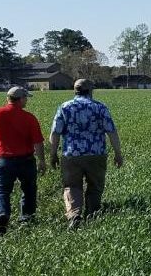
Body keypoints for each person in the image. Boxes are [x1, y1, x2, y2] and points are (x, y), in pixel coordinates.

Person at [50, 79, 124, 229]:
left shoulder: (64, 107)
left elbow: (55, 133)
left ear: (75, 90)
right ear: (90, 90)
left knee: (72, 186)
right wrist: (118, 153)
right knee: (95, 185)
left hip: (71, 154)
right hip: (96, 154)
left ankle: (74, 215)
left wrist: (53, 154)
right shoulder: (100, 107)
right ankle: (92, 214)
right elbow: (112, 132)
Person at [0, 87, 47, 236]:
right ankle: (26, 218)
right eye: (26, 98)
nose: (27, 101)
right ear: (21, 99)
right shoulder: (29, 118)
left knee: (2, 191)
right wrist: (42, 161)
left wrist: (0, 148)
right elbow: (38, 142)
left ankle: (2, 214)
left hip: (4, 161)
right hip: (26, 160)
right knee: (29, 190)